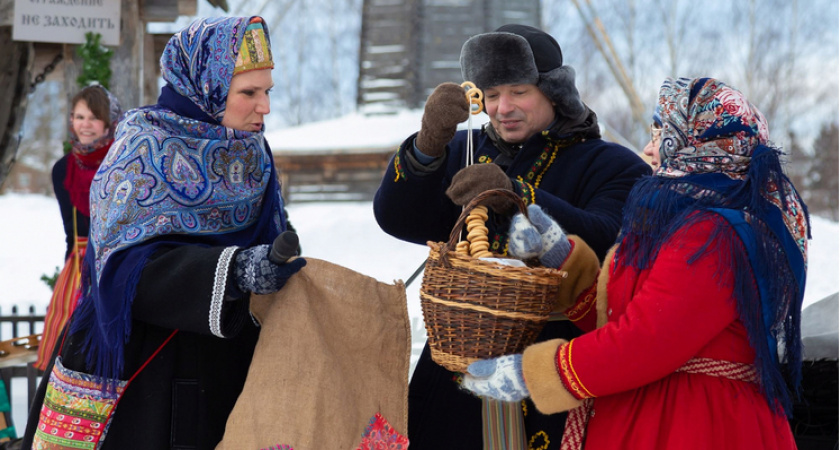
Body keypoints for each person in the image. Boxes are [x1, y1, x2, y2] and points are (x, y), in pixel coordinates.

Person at [462, 77, 810, 449]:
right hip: (663, 411)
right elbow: (629, 313)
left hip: (696, 423)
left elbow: (647, 341)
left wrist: (537, 373)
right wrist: (563, 260)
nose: (648, 148)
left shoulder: (713, 234)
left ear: (696, 144)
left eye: (662, 135)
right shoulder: (689, 218)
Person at [21, 16, 305, 450]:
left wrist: (275, 262)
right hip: (145, 373)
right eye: (249, 93)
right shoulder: (144, 148)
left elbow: (268, 235)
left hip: (233, 363)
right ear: (203, 89)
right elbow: (125, 270)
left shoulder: (253, 154)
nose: (264, 107)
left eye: (267, 91)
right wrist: (235, 271)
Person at [373, 24, 651, 449]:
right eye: (491, 93)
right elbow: (398, 218)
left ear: (554, 92)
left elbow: (609, 240)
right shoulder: (463, 151)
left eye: (518, 91)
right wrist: (427, 149)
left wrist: (516, 195)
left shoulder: (610, 163)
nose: (502, 107)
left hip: (552, 367)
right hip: (455, 367)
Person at [35, 85, 123, 372]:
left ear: (109, 123)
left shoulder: (123, 164)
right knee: (67, 352)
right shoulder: (64, 169)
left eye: (94, 117)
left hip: (118, 263)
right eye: (79, 116)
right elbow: (69, 233)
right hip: (80, 267)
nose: (85, 125)